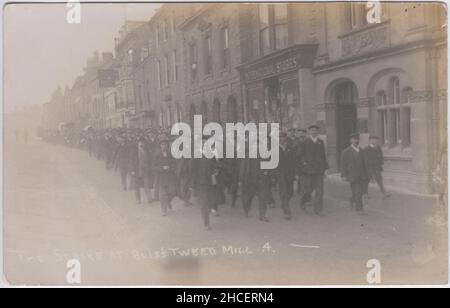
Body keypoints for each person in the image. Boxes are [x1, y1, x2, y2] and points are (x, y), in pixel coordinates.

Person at [299, 124, 329, 216]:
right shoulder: (304, 142)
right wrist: (304, 163)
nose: (314, 132)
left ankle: (318, 209)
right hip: (309, 170)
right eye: (312, 130)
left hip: (319, 170)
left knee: (320, 190)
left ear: (317, 132)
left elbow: (323, 156)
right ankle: (303, 202)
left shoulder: (320, 142)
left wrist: (325, 169)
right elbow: (300, 155)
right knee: (308, 189)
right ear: (309, 132)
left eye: (315, 130)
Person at [341, 133, 369, 215]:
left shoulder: (362, 151)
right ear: (350, 141)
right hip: (352, 175)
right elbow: (343, 165)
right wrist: (343, 175)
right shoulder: (346, 152)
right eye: (354, 139)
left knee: (361, 192)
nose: (356, 141)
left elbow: (365, 163)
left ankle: (352, 199)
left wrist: (368, 174)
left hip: (362, 175)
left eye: (357, 139)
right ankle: (359, 209)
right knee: (357, 192)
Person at [152, 136, 176, 216]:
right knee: (162, 195)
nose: (164, 146)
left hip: (170, 176)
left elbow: (174, 163)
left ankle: (168, 202)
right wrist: (162, 168)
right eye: (162, 144)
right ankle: (164, 209)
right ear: (160, 145)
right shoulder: (156, 154)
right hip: (161, 177)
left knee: (172, 192)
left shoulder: (170, 153)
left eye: (165, 144)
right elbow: (154, 167)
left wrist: (171, 167)